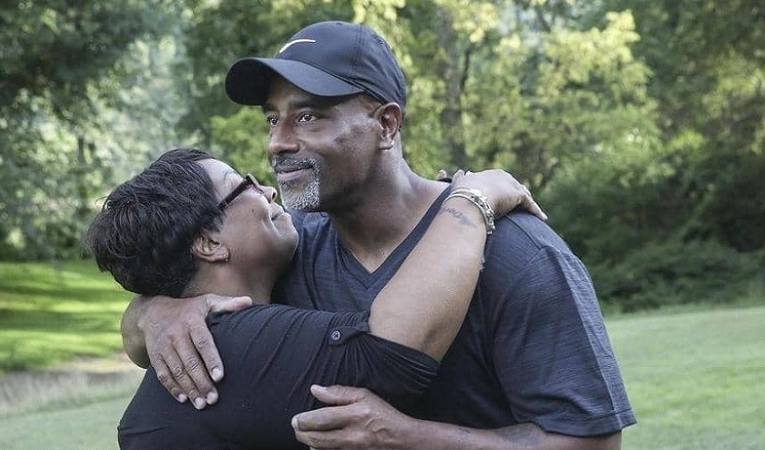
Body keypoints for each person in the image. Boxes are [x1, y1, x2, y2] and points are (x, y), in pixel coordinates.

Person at [122, 21, 636, 449]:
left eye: (308, 116)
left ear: (386, 125)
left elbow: (591, 443)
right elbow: (191, 295)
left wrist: (410, 437)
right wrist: (155, 313)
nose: (277, 142)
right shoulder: (288, 250)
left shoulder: (518, 252)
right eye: (273, 119)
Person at [88, 148, 540, 449]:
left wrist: (148, 310)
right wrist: (472, 198)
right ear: (209, 242)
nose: (267, 189)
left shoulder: (208, 330)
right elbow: (389, 351)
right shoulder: (232, 344)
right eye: (244, 185)